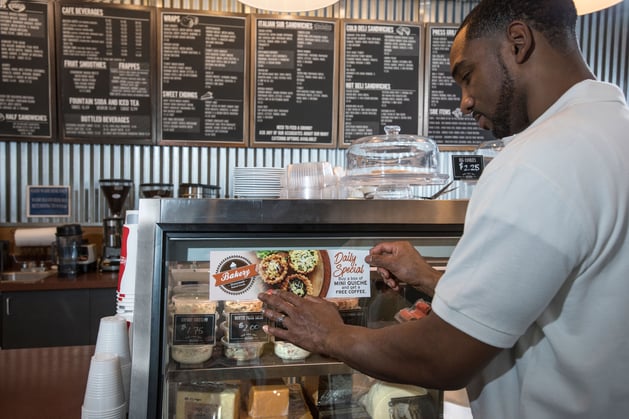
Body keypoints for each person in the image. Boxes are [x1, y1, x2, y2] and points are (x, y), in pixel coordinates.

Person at [259, 0, 629, 417]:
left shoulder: (539, 159)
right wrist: (429, 278)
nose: (465, 103)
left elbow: (443, 355)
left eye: (467, 76)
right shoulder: (611, 132)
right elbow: (558, 295)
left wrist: (329, 334)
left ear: (518, 43)